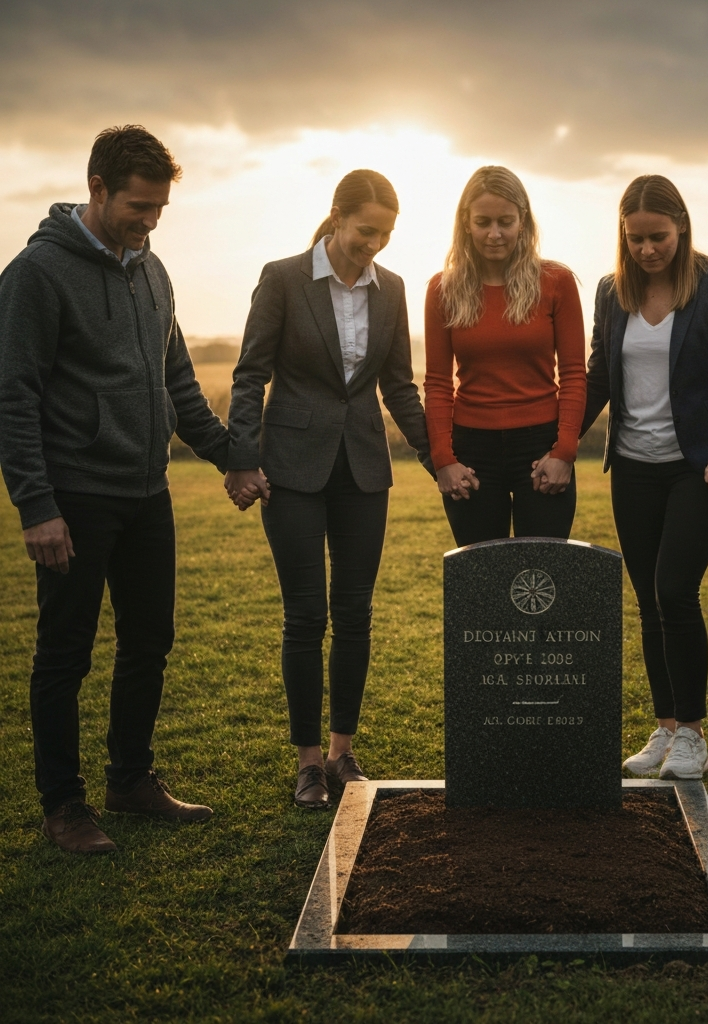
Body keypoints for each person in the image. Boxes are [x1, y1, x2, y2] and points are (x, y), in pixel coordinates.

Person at [0, 125, 228, 853]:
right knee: (65, 654)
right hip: (73, 495)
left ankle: (130, 780)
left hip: (146, 491)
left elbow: (178, 383)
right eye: (138, 206)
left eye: (159, 208)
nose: (150, 220)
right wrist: (37, 506)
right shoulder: (36, 273)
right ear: (96, 188)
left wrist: (230, 456)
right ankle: (63, 807)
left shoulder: (151, 270)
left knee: (150, 640)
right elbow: (14, 394)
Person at [224, 170, 433, 811]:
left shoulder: (392, 289)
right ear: (337, 218)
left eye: (387, 234)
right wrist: (241, 459)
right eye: (367, 230)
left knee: (355, 615)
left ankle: (343, 753)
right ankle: (308, 764)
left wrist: (437, 456)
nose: (375, 243)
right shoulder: (284, 278)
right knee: (305, 615)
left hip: (364, 470)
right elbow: (250, 372)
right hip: (291, 469)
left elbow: (398, 385)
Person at [581, 175, 708, 781]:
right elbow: (598, 381)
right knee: (647, 600)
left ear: (681, 227)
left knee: (674, 591)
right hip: (631, 467)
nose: (646, 250)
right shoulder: (612, 291)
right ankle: (664, 730)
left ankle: (693, 733)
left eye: (657, 237)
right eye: (634, 239)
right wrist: (557, 446)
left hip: (698, 465)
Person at [423, 165, 587, 545]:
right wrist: (444, 460)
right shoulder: (442, 290)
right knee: (482, 582)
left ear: (523, 221)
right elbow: (436, 383)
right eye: (483, 222)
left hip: (541, 449)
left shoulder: (556, 282)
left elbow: (575, 375)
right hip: (472, 452)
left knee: (541, 582)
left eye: (505, 221)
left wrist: (564, 452)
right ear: (466, 222)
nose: (494, 234)